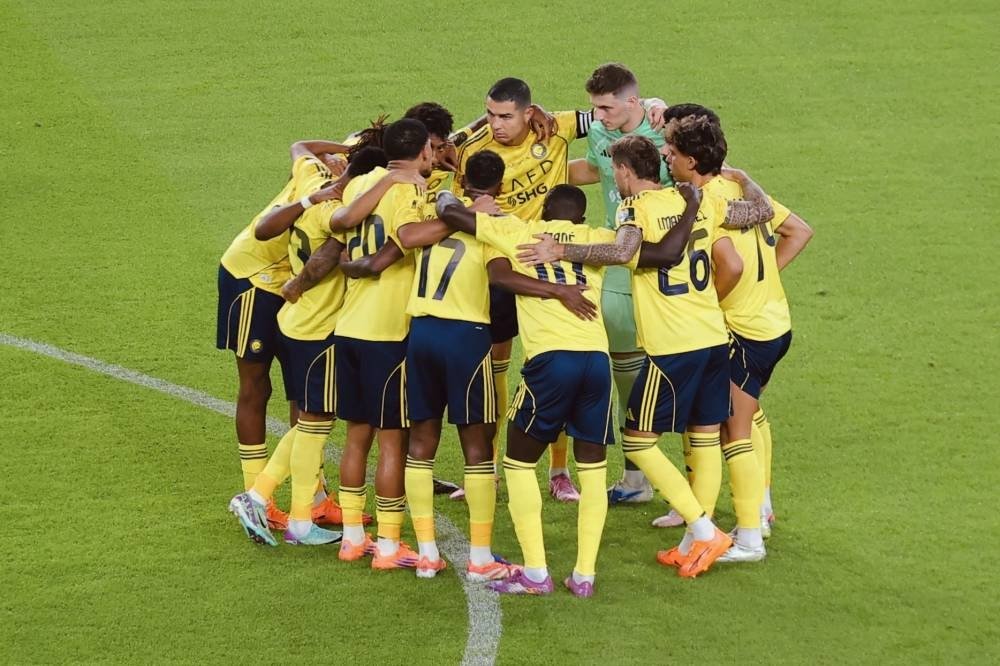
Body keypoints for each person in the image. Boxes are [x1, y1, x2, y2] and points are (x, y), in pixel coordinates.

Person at [516, 135, 774, 576]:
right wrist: (746, 180)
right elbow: (761, 211)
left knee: (638, 440)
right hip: (713, 334)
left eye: (615, 170)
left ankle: (704, 530)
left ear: (623, 171)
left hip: (672, 343)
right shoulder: (700, 200)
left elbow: (622, 251)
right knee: (705, 436)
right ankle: (696, 541)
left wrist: (561, 250)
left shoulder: (634, 208)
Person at [436, 184, 615, 596]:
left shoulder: (520, 231)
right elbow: (631, 247)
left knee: (517, 465)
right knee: (593, 470)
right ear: (581, 217)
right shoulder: (596, 239)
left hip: (551, 361)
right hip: (597, 360)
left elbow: (452, 214)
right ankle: (584, 576)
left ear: (544, 211)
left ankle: (535, 573)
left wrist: (449, 194)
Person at [226, 147, 396, 545]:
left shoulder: (316, 191)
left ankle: (303, 513)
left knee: (314, 419)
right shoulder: (339, 214)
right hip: (318, 327)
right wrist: (299, 284)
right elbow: (329, 252)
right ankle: (261, 498)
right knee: (313, 421)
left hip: (298, 321)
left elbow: (299, 152)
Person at [663, 113, 813, 555]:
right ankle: (759, 511)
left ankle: (749, 537)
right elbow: (798, 231)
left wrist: (710, 302)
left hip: (747, 332)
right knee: (746, 419)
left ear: (691, 161)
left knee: (734, 432)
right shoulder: (739, 190)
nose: (666, 156)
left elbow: (731, 266)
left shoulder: (708, 202)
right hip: (774, 322)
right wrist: (765, 283)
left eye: (672, 151)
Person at [451, 77, 598, 501]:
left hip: (549, 267)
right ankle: (489, 468)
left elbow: (617, 113)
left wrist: (655, 106)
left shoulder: (557, 126)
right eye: (490, 114)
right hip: (497, 267)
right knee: (495, 370)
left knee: (555, 365)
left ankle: (559, 471)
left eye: (505, 116)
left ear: (529, 113)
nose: (495, 124)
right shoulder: (471, 147)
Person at [217, 141, 340, 528]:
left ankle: (314, 497)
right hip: (254, 280)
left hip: (295, 289)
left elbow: (301, 146)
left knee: (304, 393)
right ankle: (257, 498)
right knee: (256, 385)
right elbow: (266, 228)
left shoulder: (339, 171)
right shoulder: (325, 184)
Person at [567, 62, 673, 504]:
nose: (599, 116)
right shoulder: (598, 132)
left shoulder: (666, 132)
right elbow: (594, 170)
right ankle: (636, 477)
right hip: (618, 264)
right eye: (595, 108)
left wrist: (661, 105)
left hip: (666, 263)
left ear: (634, 101)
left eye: (607, 108)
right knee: (623, 370)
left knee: (682, 366)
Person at [331, 118, 434, 569]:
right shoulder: (408, 191)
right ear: (424, 150)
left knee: (356, 437)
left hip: (349, 325)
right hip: (388, 333)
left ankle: (353, 538)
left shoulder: (363, 184)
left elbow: (341, 223)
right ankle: (389, 546)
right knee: (393, 441)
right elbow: (408, 239)